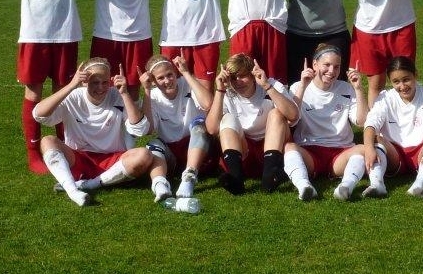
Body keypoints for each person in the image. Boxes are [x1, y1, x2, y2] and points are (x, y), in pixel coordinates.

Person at [4, 0, 90, 174]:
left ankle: (64, 147)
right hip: (34, 33)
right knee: (34, 92)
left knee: (63, 92)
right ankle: (33, 152)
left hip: (66, 32)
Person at [33, 59, 158, 206]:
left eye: (105, 82)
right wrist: (71, 85)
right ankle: (73, 191)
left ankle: (89, 185)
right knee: (47, 141)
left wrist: (124, 93)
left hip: (113, 160)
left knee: (144, 155)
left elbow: (140, 129)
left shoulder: (117, 94)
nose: (101, 88)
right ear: (84, 82)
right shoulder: (74, 96)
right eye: (95, 83)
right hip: (78, 159)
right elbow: (39, 114)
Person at [283, 44, 369, 201]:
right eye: (327, 65)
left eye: (336, 67)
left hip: (340, 151)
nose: (331, 71)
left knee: (363, 149)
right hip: (309, 150)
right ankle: (304, 187)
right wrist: (303, 86)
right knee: (289, 147)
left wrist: (358, 89)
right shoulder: (298, 86)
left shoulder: (346, 88)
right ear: (315, 64)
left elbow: (361, 121)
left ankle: (346, 187)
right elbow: (291, 120)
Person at [205, 53, 298, 195]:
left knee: (276, 114)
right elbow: (212, 129)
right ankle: (236, 178)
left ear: (252, 75)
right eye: (233, 78)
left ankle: (269, 176)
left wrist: (267, 86)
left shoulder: (271, 84)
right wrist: (220, 90)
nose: (238, 82)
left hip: (273, 149)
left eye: (242, 76)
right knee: (227, 118)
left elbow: (293, 116)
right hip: (244, 152)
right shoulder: (227, 92)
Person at [363, 56, 423, 198]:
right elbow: (370, 124)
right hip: (394, 155)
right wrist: (369, 149)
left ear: (415, 75)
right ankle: (377, 184)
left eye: (406, 79)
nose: (402, 86)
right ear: (390, 81)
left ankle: (419, 185)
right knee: (374, 139)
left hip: (421, 153)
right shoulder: (385, 97)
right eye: (396, 82)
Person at [138, 53, 215, 199]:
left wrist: (186, 73)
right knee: (153, 144)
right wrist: (146, 90)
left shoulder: (187, 82)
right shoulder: (152, 96)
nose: (167, 81)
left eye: (170, 74)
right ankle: (160, 185)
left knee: (199, 126)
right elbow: (148, 129)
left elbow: (208, 103)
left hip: (197, 148)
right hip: (172, 154)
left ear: (175, 72)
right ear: (153, 81)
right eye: (160, 78)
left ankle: (188, 179)